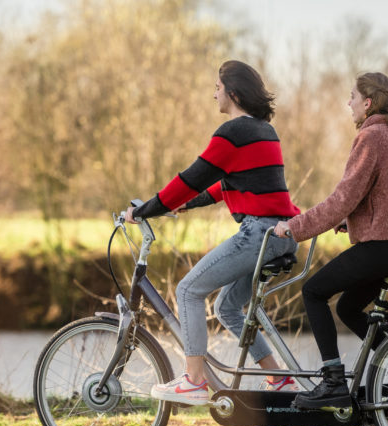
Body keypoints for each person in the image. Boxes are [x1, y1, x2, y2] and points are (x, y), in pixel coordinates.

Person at [126, 60, 300, 405]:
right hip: (282, 235)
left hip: (260, 234)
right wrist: (185, 205)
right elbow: (227, 185)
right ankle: (278, 377)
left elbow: (192, 178)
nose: (214, 94)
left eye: (217, 88)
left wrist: (145, 209)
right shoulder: (263, 130)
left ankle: (193, 381)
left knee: (189, 290)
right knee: (227, 308)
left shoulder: (233, 132)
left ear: (233, 93)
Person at [274, 72, 388, 408]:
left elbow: (342, 198)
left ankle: (332, 382)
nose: (348, 104)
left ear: (368, 102)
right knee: (347, 307)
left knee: (313, 291)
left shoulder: (372, 137)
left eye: (352, 97)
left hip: (383, 248)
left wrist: (295, 226)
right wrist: (355, 220)